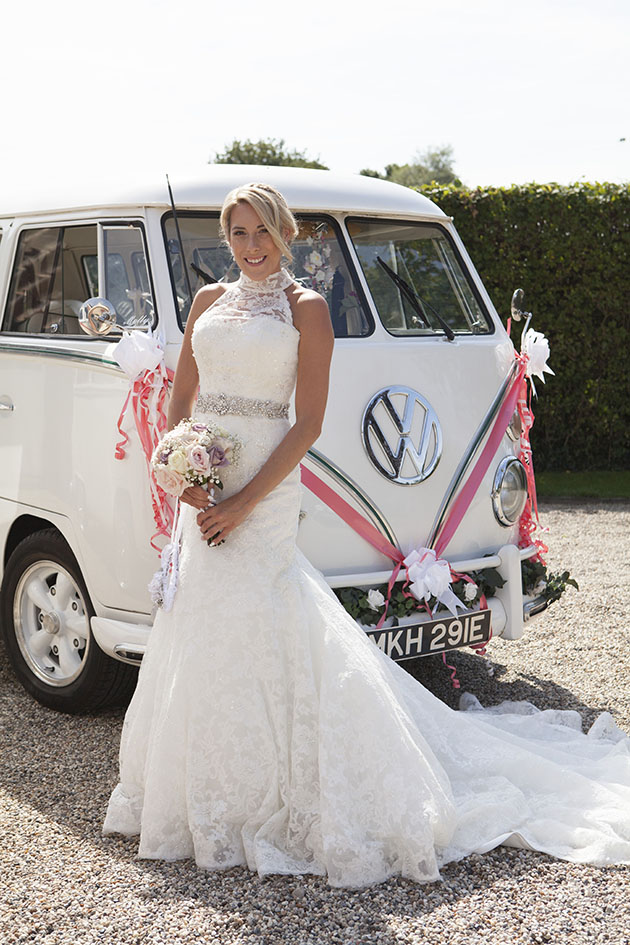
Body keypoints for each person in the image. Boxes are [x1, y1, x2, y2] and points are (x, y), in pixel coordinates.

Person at [103, 183, 630, 888]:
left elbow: (309, 423)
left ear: (284, 234)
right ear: (223, 240)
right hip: (208, 484)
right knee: (203, 626)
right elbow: (179, 402)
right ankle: (208, 797)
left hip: (265, 480)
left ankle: (288, 795)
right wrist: (184, 474)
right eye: (237, 234)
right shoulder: (204, 303)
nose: (251, 246)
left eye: (261, 232)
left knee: (266, 617)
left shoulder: (307, 309)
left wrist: (245, 503)